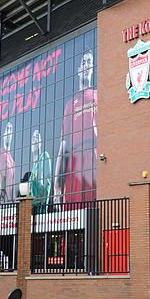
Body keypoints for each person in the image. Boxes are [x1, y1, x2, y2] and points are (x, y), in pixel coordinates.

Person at [50, 50, 97, 209]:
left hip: (94, 158)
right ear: (78, 69)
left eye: (89, 62)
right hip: (75, 162)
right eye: (83, 62)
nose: (86, 65)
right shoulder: (71, 104)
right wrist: (56, 184)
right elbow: (63, 147)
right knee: (73, 213)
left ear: (93, 67)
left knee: (95, 209)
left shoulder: (98, 95)